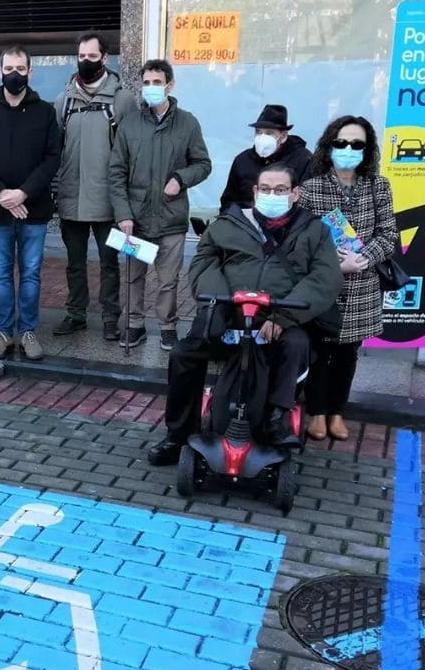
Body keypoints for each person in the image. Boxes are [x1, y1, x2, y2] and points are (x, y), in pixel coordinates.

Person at [146, 164, 343, 466]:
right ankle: (178, 435)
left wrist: (284, 317)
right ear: (255, 192)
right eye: (265, 189)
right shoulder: (227, 225)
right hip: (229, 312)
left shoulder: (314, 231)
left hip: (280, 317)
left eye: (280, 190)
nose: (272, 195)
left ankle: (277, 418)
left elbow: (325, 278)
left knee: (297, 345)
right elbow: (204, 262)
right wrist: (218, 304)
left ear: (295, 194)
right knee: (185, 354)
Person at [298, 115, 398, 441]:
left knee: (347, 354)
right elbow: (300, 238)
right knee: (319, 351)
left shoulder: (378, 186)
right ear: (330, 146)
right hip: (324, 283)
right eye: (342, 143)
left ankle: (338, 411)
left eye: (357, 144)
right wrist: (331, 263)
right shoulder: (311, 188)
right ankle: (316, 412)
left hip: (362, 286)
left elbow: (388, 235)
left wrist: (363, 259)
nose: (348, 149)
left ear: (366, 150)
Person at [0, 45, 61, 361]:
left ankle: (28, 331)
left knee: (31, 273)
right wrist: (1, 194)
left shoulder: (45, 111)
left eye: (21, 69)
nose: (15, 74)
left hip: (33, 209)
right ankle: (4, 331)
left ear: (30, 72)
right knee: (1, 274)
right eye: (9, 69)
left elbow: (51, 159)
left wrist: (23, 193)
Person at [108, 59, 212, 351]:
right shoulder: (129, 125)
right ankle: (134, 324)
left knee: (168, 280)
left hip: (171, 217)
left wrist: (181, 178)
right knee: (133, 277)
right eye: (146, 83)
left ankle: (167, 327)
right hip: (136, 218)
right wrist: (123, 214)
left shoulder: (188, 123)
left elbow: (203, 164)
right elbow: (116, 172)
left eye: (157, 82)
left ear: (170, 85)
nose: (151, 88)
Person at [53, 32, 130, 342]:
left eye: (91, 56)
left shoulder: (122, 100)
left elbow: (130, 153)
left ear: (105, 59)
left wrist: (126, 203)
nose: (86, 61)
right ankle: (76, 314)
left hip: (109, 203)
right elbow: (55, 150)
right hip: (71, 199)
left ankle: (111, 318)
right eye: (81, 56)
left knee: (110, 264)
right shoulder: (64, 101)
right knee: (74, 264)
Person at [214, 104, 312, 234]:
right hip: (247, 231)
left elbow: (308, 201)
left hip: (290, 232)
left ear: (283, 136)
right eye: (259, 132)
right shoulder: (242, 160)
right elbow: (229, 201)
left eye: (269, 133)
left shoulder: (303, 159)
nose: (262, 137)